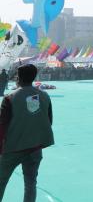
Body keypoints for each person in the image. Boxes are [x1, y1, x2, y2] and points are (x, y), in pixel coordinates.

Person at [0, 64, 54, 202]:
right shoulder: (44, 96)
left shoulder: (9, 98)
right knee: (30, 183)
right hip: (35, 148)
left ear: (18, 78)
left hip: (13, 148)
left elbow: (2, 127)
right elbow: (49, 121)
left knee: (1, 181)